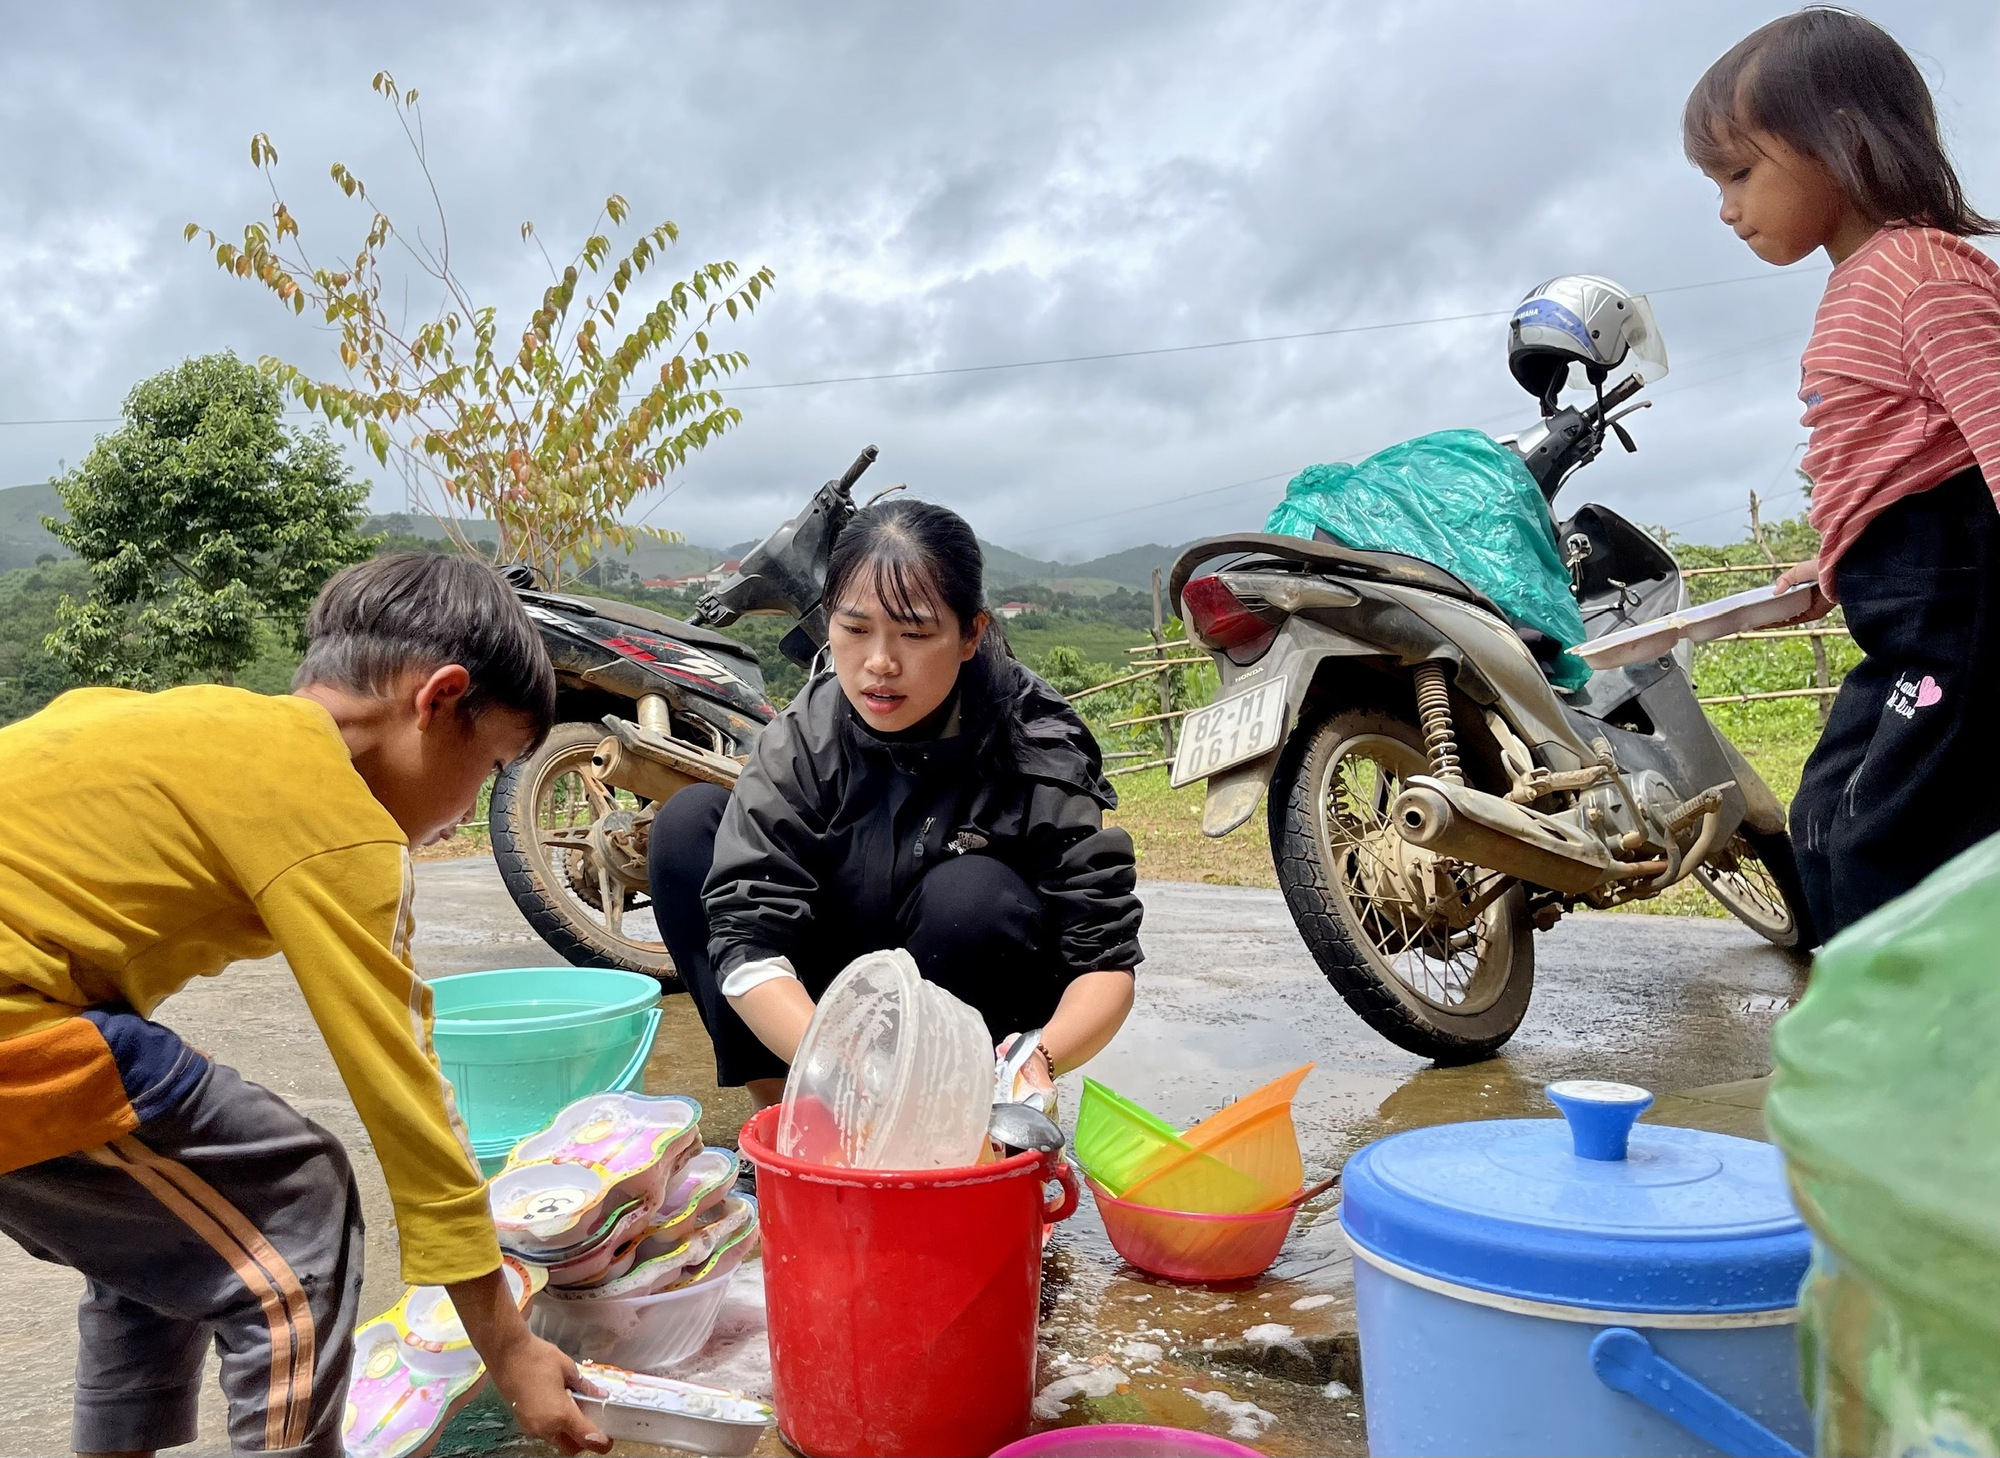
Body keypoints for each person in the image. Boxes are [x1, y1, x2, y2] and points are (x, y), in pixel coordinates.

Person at [0, 554, 609, 1458]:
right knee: (299, 1202)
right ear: (437, 700)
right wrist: (509, 1348)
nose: (469, 809)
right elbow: (403, 1095)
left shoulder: (180, 718)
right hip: (19, 1032)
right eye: (488, 768)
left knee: (169, 1238)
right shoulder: (339, 821)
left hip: (35, 1012)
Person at [650, 498, 1142, 1112]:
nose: (879, 664)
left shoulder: (1035, 741)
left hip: (964, 1001)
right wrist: (829, 1063)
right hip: (828, 1002)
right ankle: (787, 1115)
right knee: (688, 827)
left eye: (914, 633)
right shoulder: (806, 738)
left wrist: (1036, 1056)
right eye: (855, 630)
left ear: (971, 634)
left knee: (973, 896)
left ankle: (961, 1112)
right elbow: (748, 932)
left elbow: (1104, 956)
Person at [1683, 7, 2000, 941]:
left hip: (1962, 605)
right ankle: (1893, 1038)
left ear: (1841, 143)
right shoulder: (1858, 280)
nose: (1727, 208)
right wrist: (1832, 558)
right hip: (1902, 610)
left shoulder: (1922, 272)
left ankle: (1923, 1061)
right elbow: (1889, 463)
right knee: (1822, 826)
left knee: (1889, 841)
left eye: (1740, 173)